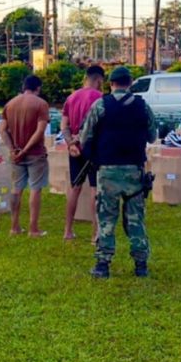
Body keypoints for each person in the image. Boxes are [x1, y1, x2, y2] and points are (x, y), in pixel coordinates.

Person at [80, 66, 157, 279]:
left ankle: (103, 264)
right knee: (135, 219)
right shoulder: (142, 106)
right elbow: (152, 136)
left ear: (111, 83)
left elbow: (85, 136)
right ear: (130, 82)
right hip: (134, 170)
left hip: (107, 170)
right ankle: (141, 264)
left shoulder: (100, 105)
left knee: (106, 218)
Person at [0, 74, 50, 237]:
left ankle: (14, 227)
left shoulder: (10, 104)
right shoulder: (41, 104)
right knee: (35, 189)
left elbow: (2, 130)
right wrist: (26, 149)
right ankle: (33, 228)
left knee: (16, 189)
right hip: (34, 153)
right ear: (38, 88)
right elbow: (40, 130)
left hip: (16, 154)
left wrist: (13, 149)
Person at [62, 65, 104, 241]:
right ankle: (95, 233)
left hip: (75, 149)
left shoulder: (71, 97)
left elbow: (64, 126)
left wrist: (70, 142)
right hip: (93, 147)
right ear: (98, 80)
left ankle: (68, 231)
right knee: (95, 188)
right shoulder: (100, 98)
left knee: (75, 188)